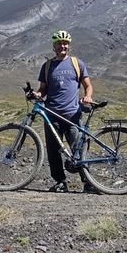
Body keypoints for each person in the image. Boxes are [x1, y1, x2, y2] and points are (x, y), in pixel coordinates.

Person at [32, 30, 96, 193]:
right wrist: (38, 95)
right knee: (53, 152)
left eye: (65, 43)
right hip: (51, 115)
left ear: (69, 46)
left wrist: (87, 97)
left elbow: (88, 86)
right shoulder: (47, 66)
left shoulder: (77, 63)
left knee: (79, 150)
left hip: (72, 115)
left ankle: (88, 182)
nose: (62, 46)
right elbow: (43, 89)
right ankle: (60, 182)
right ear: (54, 46)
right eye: (59, 43)